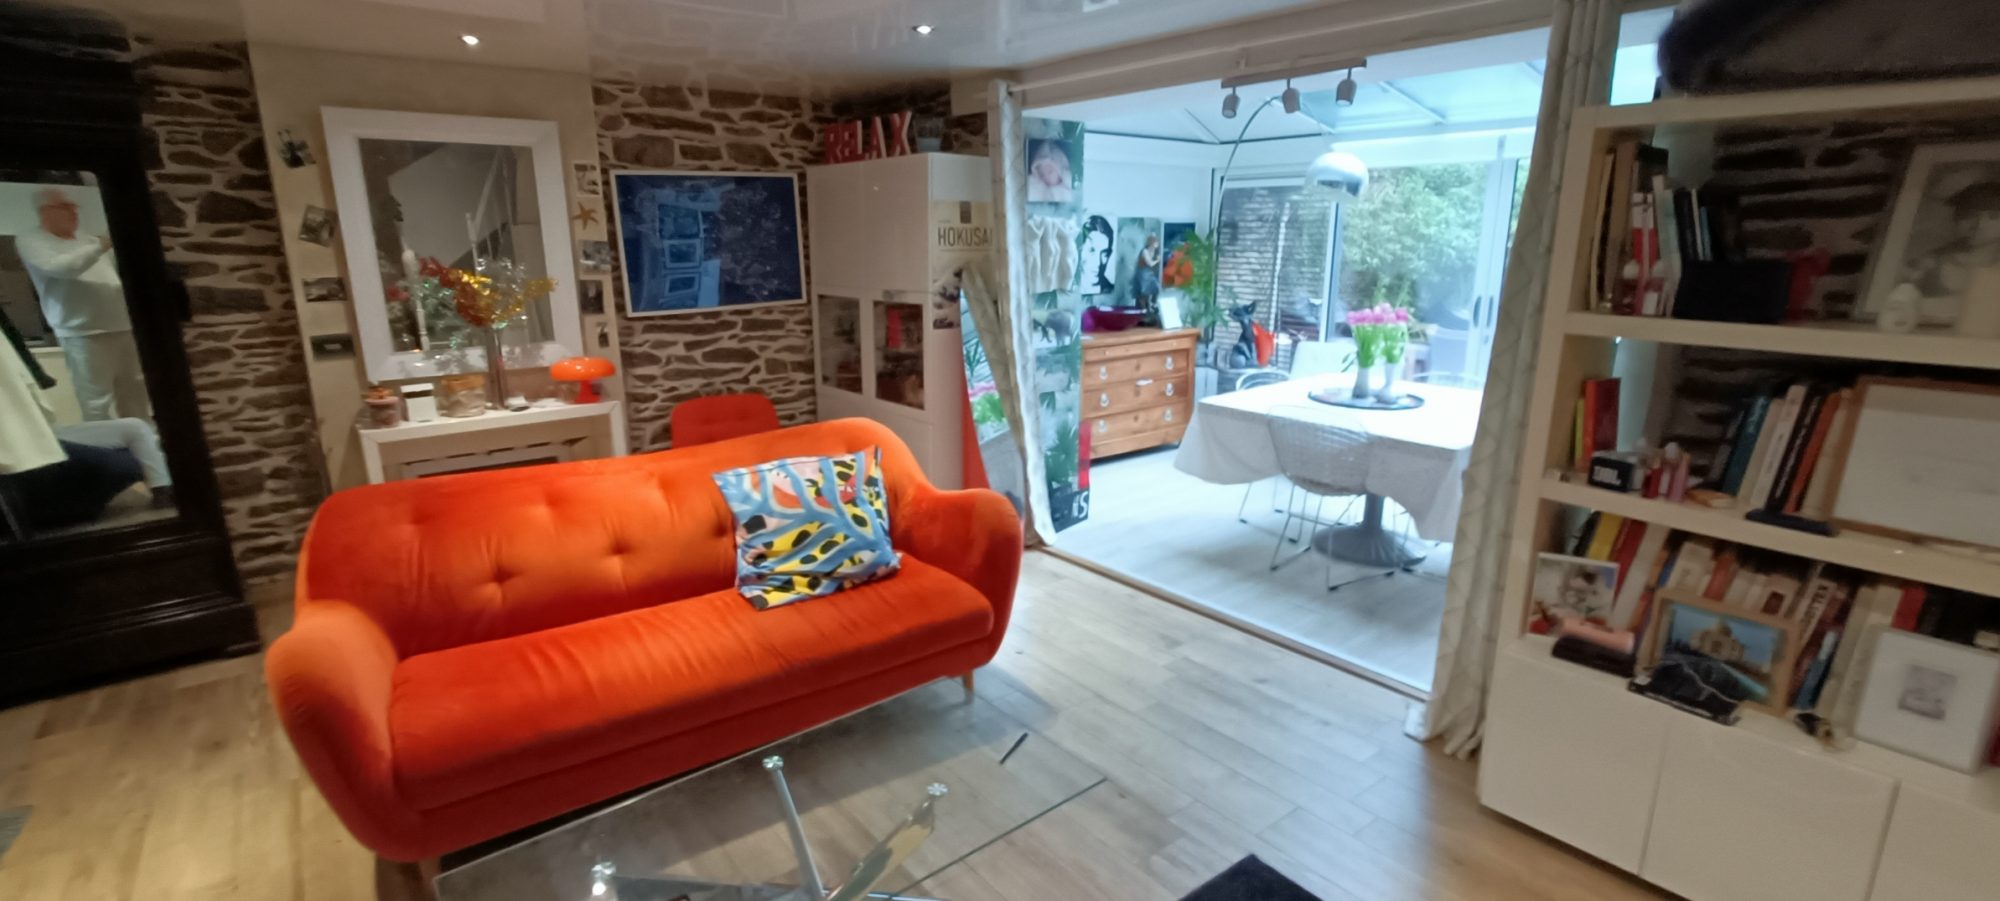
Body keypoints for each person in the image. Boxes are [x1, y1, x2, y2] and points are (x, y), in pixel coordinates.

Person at [15, 187, 146, 421]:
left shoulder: (88, 240)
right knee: (97, 400)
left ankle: (144, 439)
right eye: (66, 207)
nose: (74, 212)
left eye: (74, 207)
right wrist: (102, 245)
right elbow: (62, 268)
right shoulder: (32, 240)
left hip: (122, 325)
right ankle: (105, 443)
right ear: (45, 211)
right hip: (82, 331)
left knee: (135, 392)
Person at [1026, 140, 1074, 205]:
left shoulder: (1067, 188)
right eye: (1042, 175)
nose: (1046, 178)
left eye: (1050, 172)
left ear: (1059, 172)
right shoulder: (1038, 186)